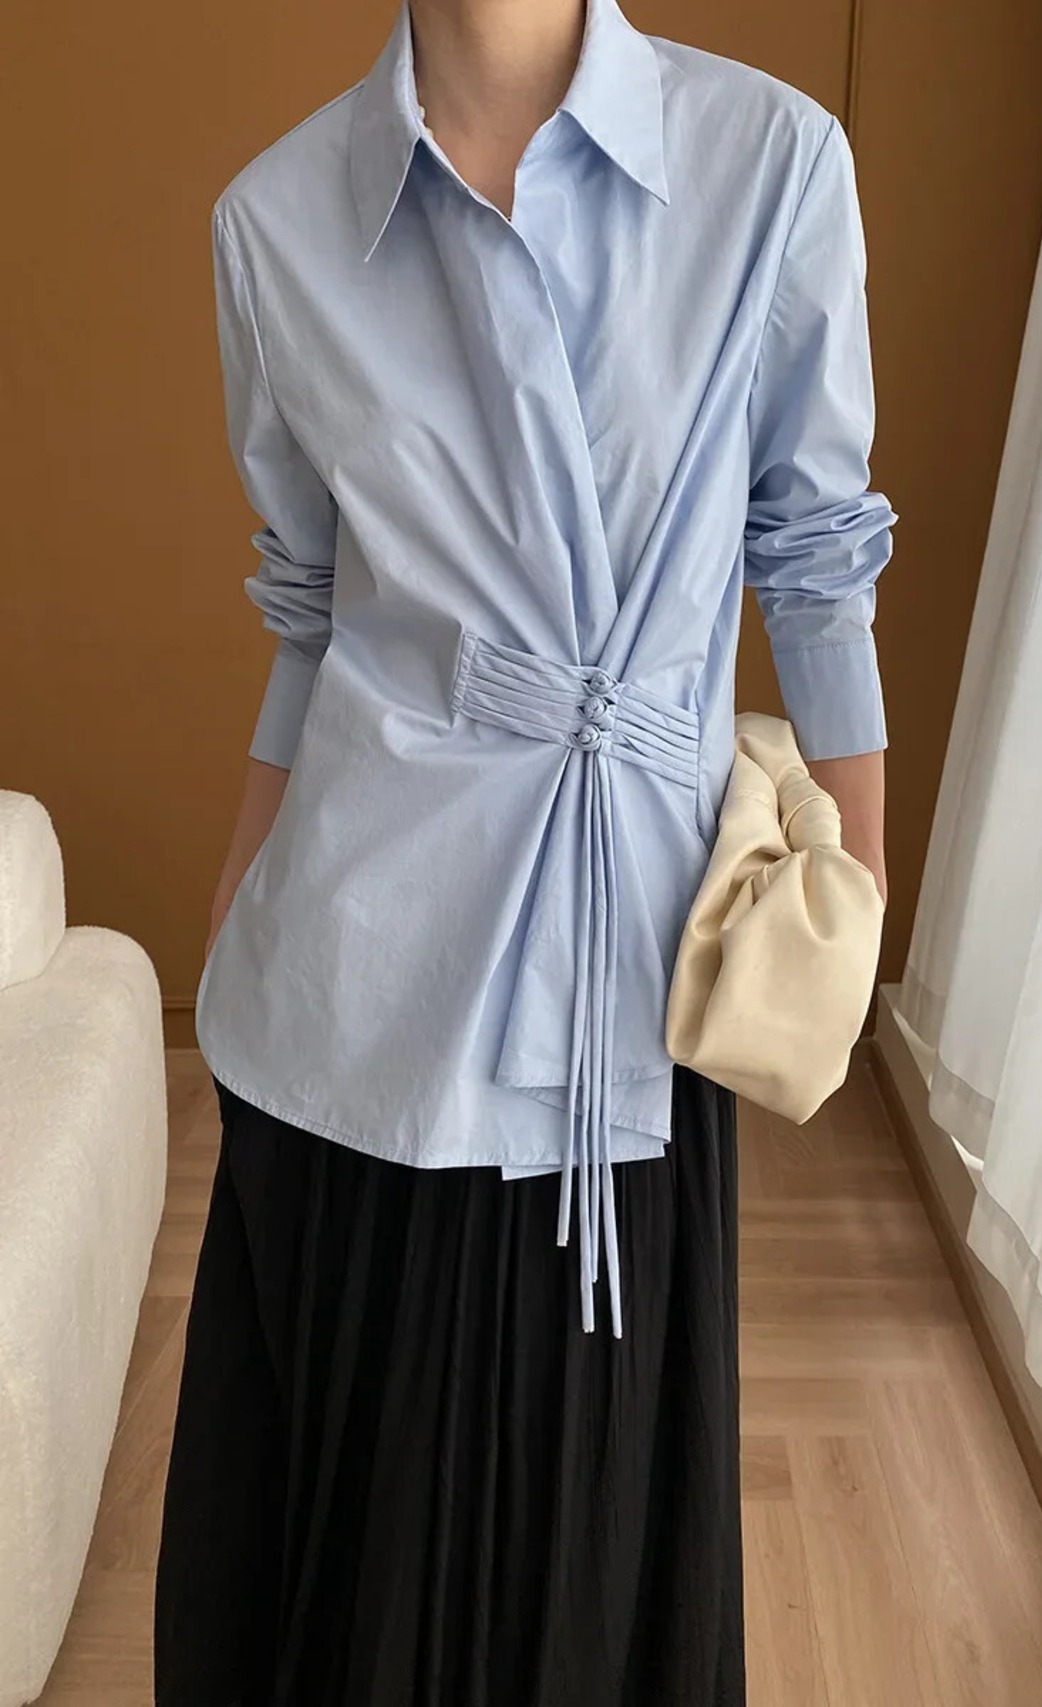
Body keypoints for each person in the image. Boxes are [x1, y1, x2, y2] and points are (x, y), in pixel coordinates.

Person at [152, 0, 895, 1700]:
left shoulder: (769, 162)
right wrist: (243, 891)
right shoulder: (278, 220)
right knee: (346, 1573)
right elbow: (314, 607)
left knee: (583, 1562)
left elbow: (815, 556)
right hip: (350, 980)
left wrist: (851, 897)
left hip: (621, 992)